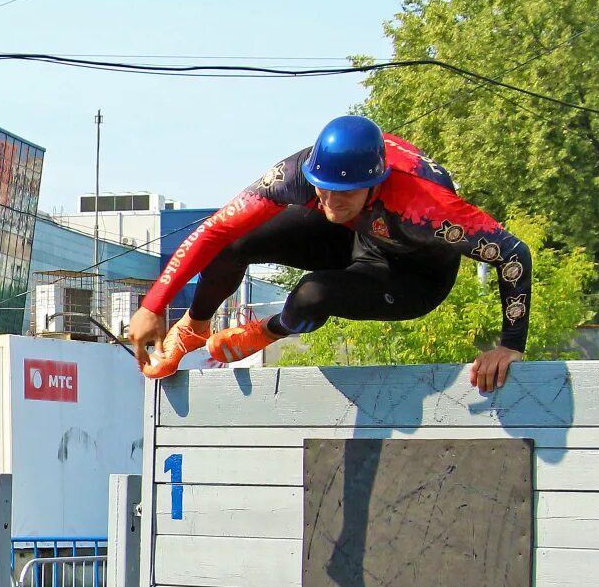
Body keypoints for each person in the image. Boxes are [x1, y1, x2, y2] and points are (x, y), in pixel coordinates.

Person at [125, 115, 534, 393]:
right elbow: (215, 229)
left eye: (346, 194)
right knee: (236, 238)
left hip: (411, 275)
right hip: (358, 235)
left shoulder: (426, 209)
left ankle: (270, 330)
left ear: (376, 182)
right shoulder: (297, 174)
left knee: (310, 294)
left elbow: (514, 255)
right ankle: (195, 327)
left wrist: (510, 344)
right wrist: (154, 305)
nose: (332, 203)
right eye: (324, 190)